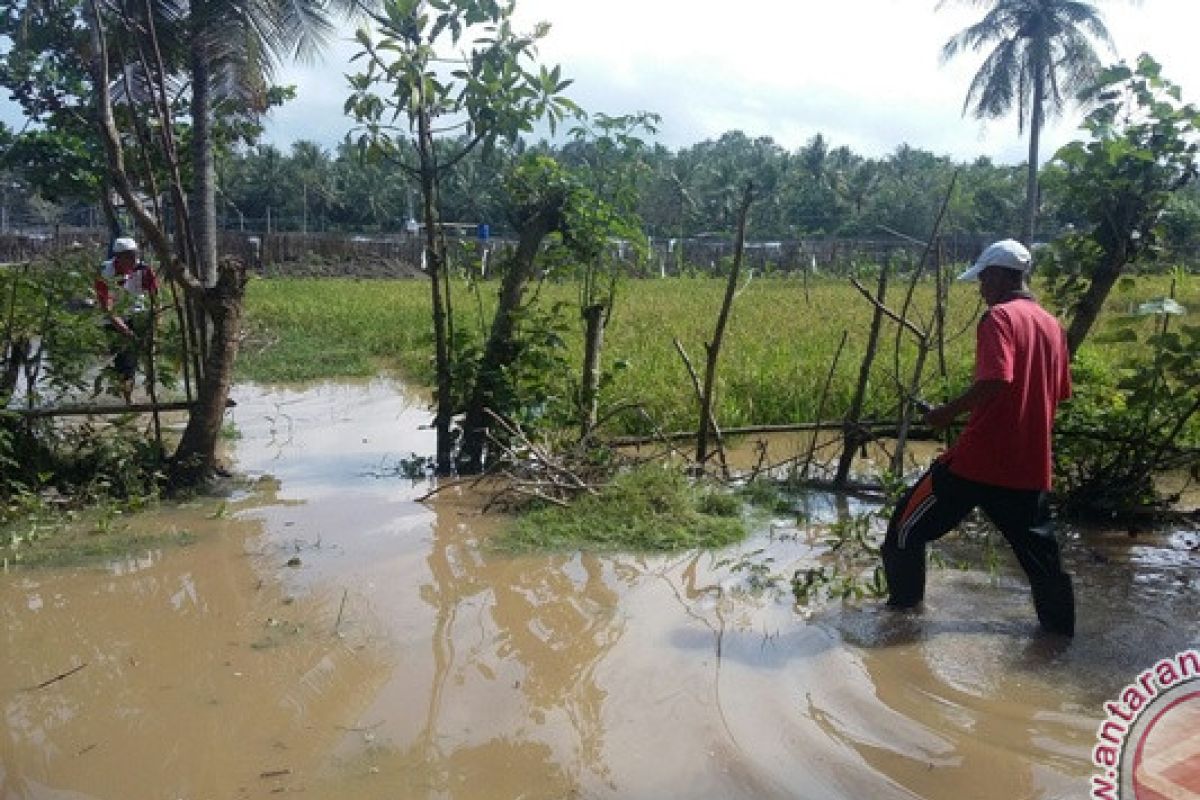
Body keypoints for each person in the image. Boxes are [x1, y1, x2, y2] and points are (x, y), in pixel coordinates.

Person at [881, 239, 1076, 636]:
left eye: (984, 278)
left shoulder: (999, 319)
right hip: (1028, 465)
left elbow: (996, 379)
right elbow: (1059, 392)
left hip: (977, 461)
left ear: (1003, 276)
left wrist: (944, 414)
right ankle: (1059, 640)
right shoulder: (1052, 326)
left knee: (903, 532)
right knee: (1042, 561)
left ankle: (901, 623)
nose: (981, 288)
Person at [95, 236, 158, 401]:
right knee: (124, 361)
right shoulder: (105, 272)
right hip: (113, 320)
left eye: (134, 255)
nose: (132, 259)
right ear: (118, 257)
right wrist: (125, 330)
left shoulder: (144, 270)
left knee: (146, 356)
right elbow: (107, 308)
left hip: (138, 314)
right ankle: (127, 399)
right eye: (128, 256)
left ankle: (147, 392)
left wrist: (155, 321)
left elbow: (154, 297)